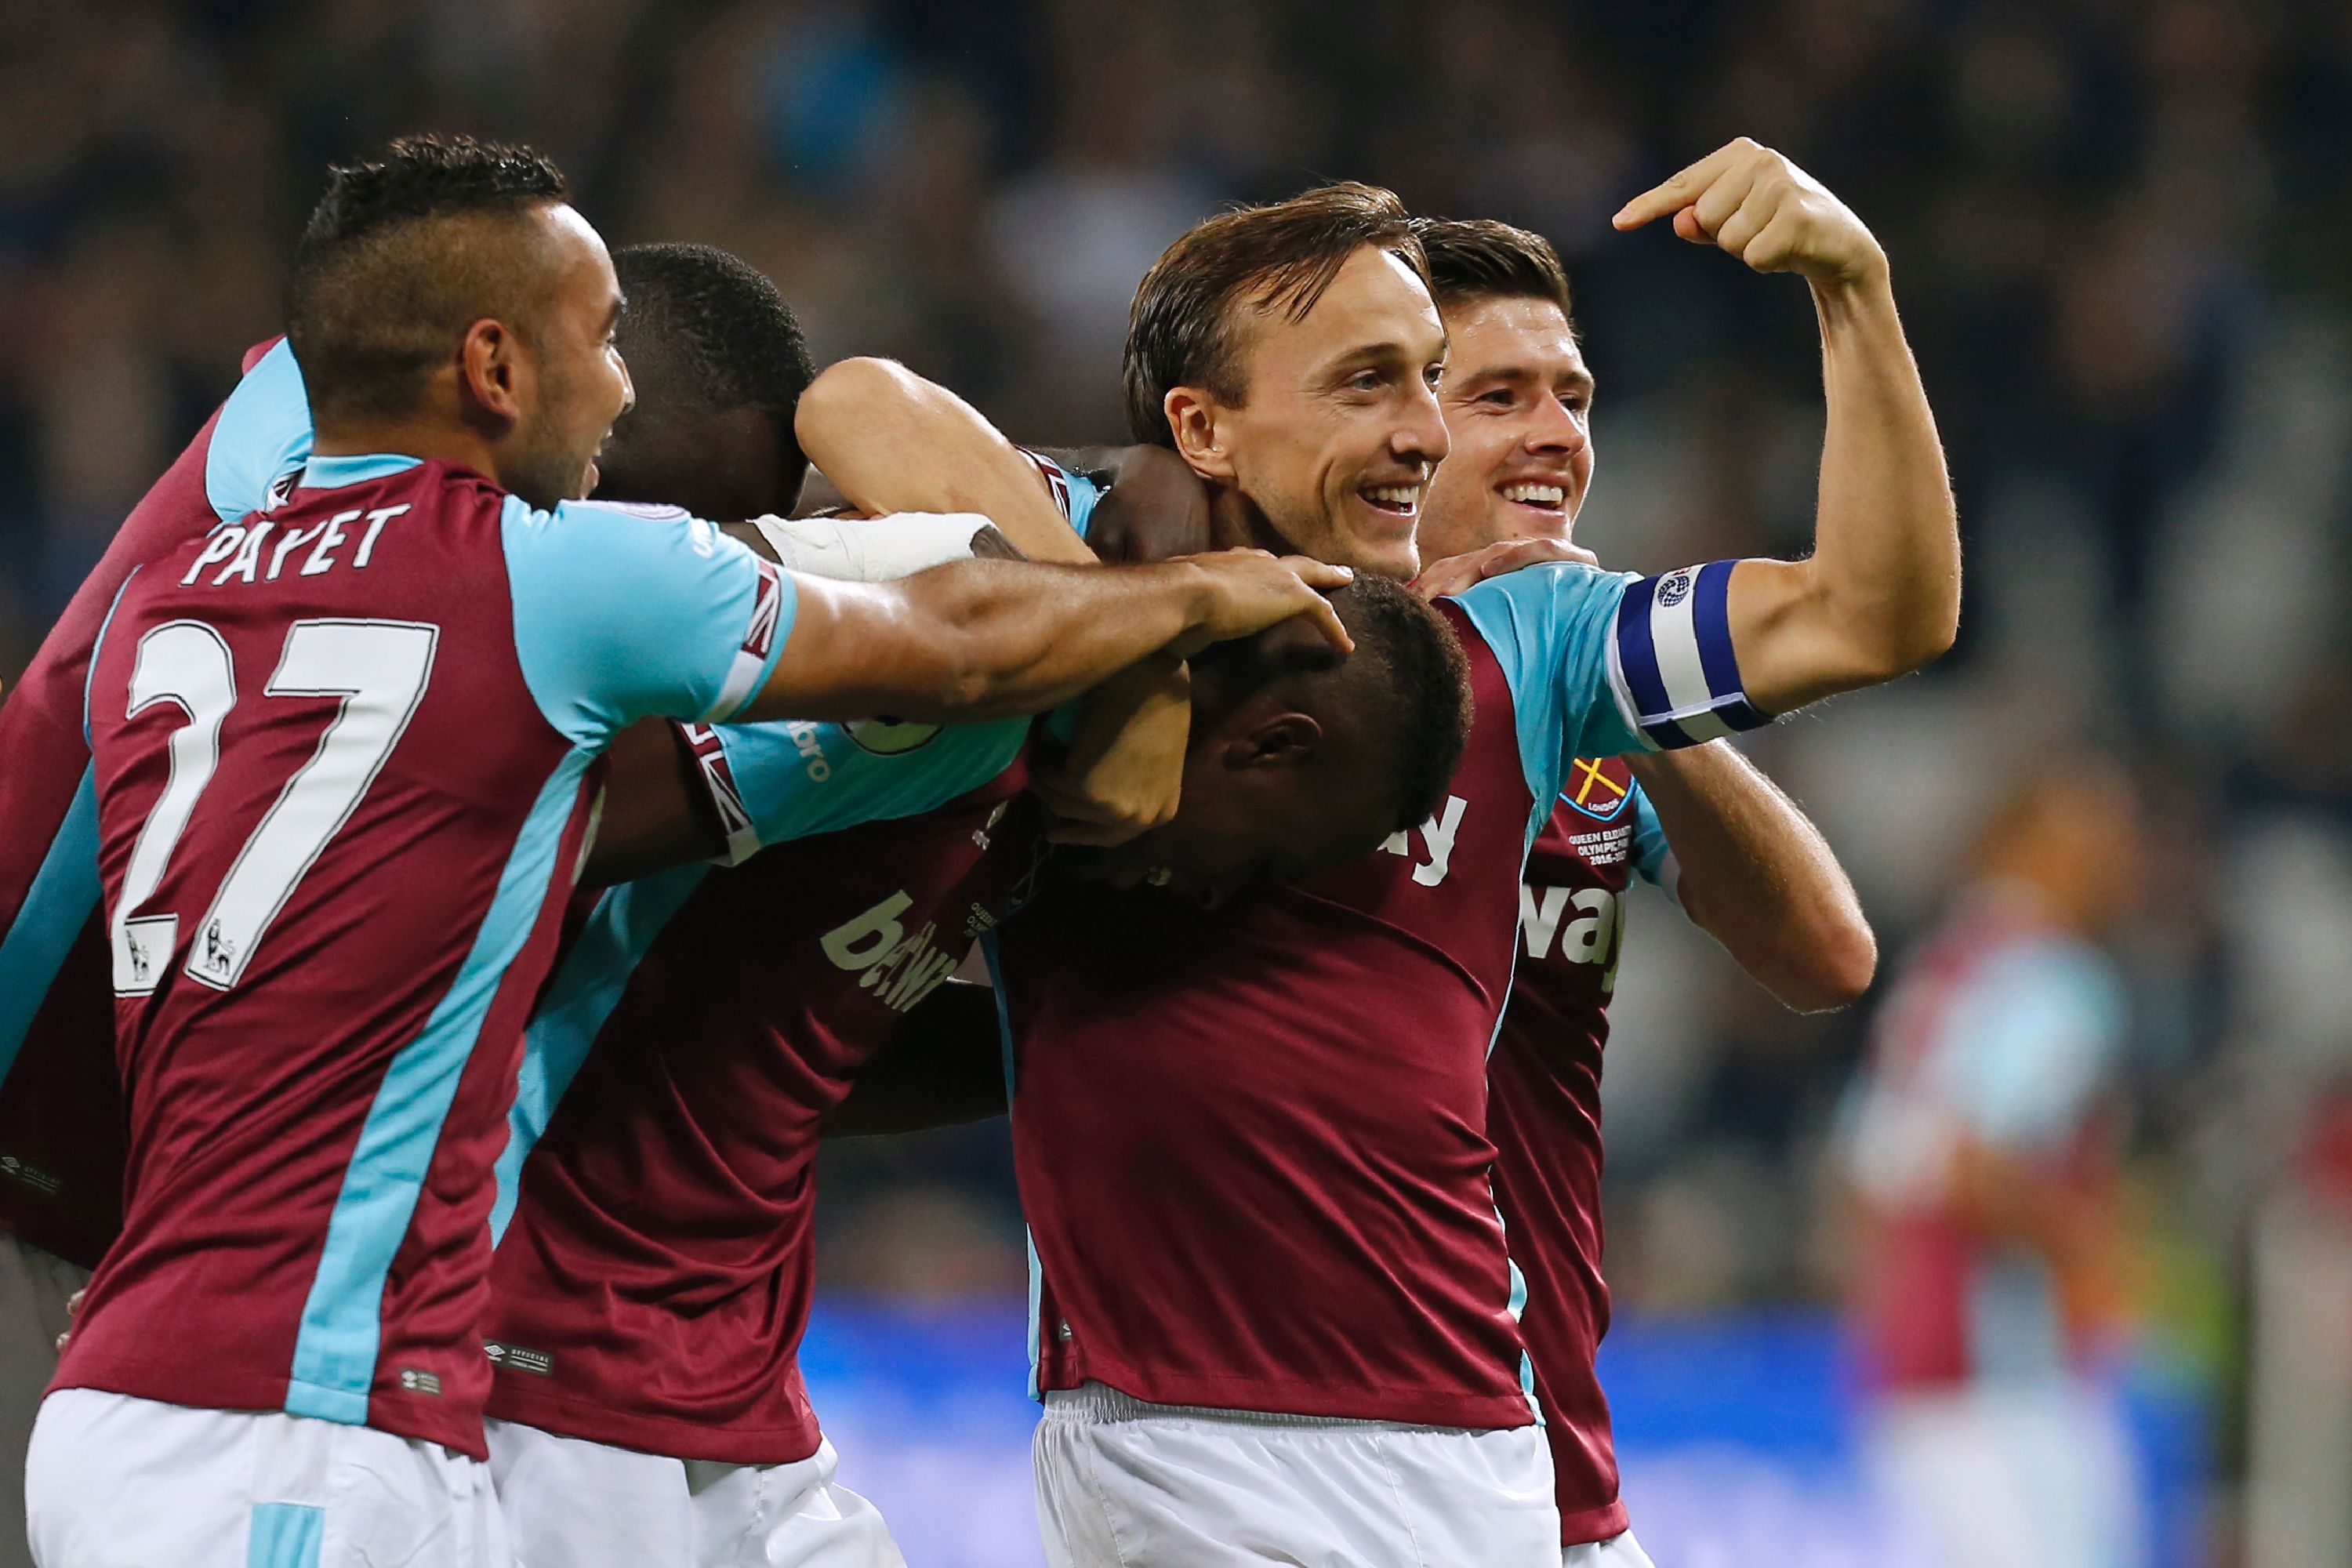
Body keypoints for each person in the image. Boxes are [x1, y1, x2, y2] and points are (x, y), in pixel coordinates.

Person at [27, 134, 1349, 1568]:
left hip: (176, 1368)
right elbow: (959, 638)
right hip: (294, 1413)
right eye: (600, 341)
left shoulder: (165, 605)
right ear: (495, 365)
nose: (622, 382)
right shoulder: (550, 577)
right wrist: (1192, 593)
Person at [982, 141, 1958, 1566]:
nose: (1527, 432)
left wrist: (1851, 287)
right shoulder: (1125, 589)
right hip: (1192, 1428)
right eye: (1464, 388)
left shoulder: (1546, 662)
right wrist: (1123, 624)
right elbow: (869, 413)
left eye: (1569, 396)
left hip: (1513, 1451)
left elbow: (1865, 703)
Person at [1407, 216, 1879, 1568]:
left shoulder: (1590, 731)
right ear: (1391, 423)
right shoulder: (1287, 677)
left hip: (1560, 1466)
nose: (1556, 432)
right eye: (1498, 397)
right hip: (1331, 1441)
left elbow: (1826, 955)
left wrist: (1632, 698)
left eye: (1574, 397)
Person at [1838, 756, 2147, 1568]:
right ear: (2023, 842)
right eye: (2090, 840)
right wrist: (2083, 1259)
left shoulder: (1939, 973)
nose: (2112, 863)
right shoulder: (2052, 978)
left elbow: (1867, 1165)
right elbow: (1980, 1160)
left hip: (1912, 1372)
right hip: (2008, 1382)